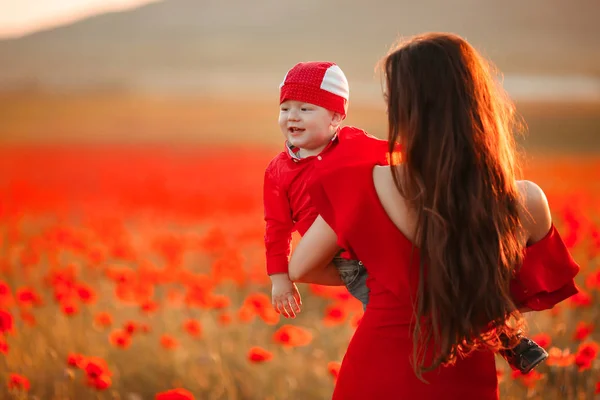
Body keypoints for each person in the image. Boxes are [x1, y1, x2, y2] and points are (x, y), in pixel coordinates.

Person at [288, 33, 580, 399]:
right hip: (464, 378)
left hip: (377, 372)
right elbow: (523, 293)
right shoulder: (526, 201)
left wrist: (381, 277)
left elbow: (300, 268)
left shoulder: (365, 182)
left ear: (408, 110)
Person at [264, 61, 389, 318]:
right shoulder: (277, 170)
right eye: (285, 108)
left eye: (305, 108)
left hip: (378, 251)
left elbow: (396, 156)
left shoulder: (353, 143)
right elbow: (276, 228)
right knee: (383, 315)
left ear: (335, 116)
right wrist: (280, 279)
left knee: (396, 316)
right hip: (344, 266)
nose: (292, 116)